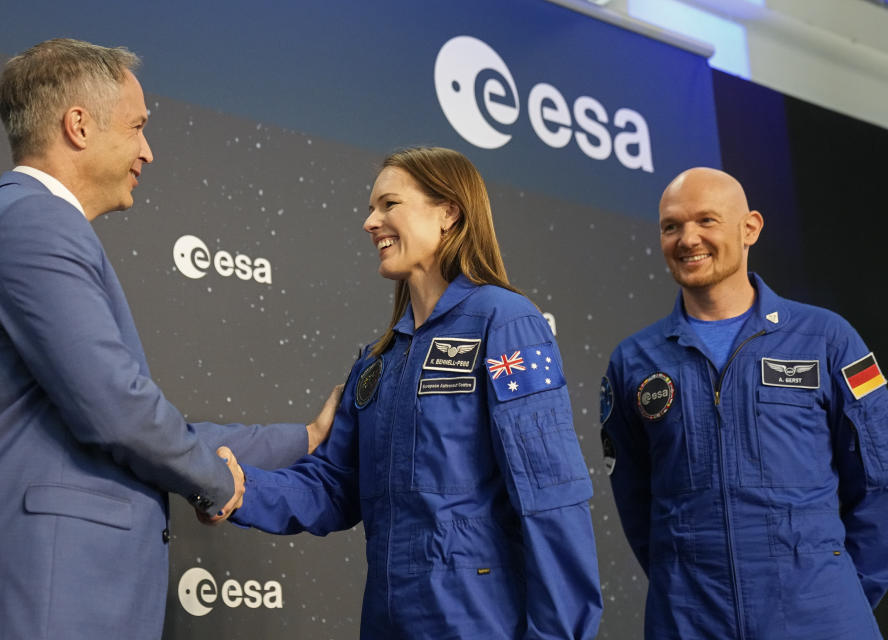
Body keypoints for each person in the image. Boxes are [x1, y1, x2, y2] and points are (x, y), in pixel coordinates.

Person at [0, 38, 338, 640]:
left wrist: (302, 440)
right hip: (37, 592)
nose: (148, 150)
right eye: (138, 126)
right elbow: (118, 411)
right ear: (78, 126)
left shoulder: (28, 223)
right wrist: (221, 485)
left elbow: (121, 416)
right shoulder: (34, 222)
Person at [226, 146, 602, 638]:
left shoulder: (503, 321)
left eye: (389, 204)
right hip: (389, 619)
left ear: (449, 212)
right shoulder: (377, 360)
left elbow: (549, 496)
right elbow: (333, 487)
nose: (369, 222)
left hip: (476, 620)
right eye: (370, 208)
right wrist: (232, 488)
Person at [600, 167, 888, 639]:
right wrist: (682, 583)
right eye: (671, 226)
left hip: (819, 616)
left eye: (706, 221)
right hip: (690, 620)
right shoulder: (634, 361)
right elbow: (636, 501)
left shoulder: (827, 338)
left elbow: (880, 478)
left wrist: (846, 593)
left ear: (750, 227)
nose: (687, 238)